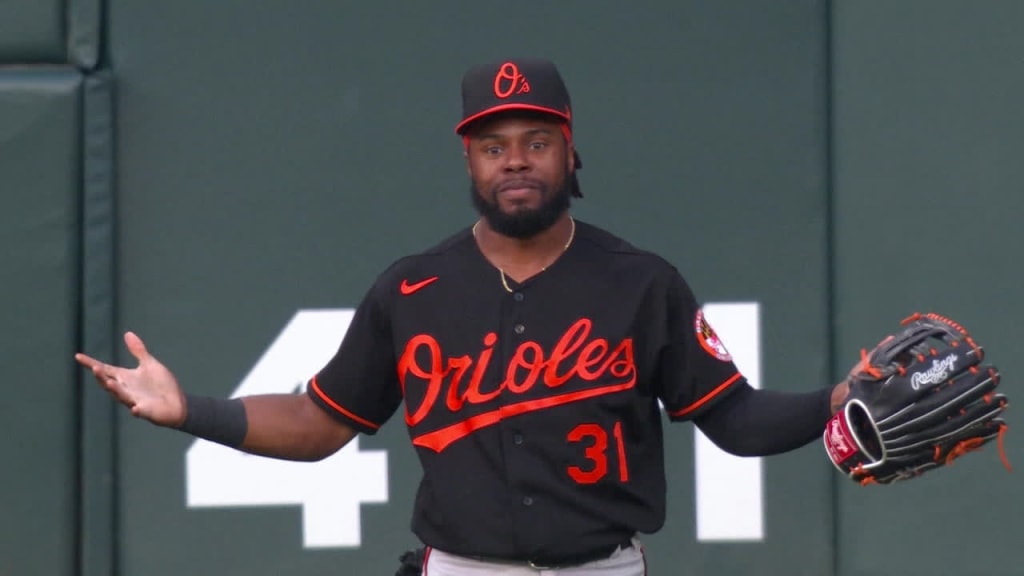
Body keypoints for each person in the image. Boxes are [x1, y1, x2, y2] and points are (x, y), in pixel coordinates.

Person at [76, 58, 849, 576]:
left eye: (536, 141)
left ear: (570, 152)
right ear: (469, 161)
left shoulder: (640, 284)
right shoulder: (414, 290)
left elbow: (734, 418)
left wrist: (834, 403)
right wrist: (188, 413)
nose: (515, 160)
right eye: (492, 145)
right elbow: (321, 419)